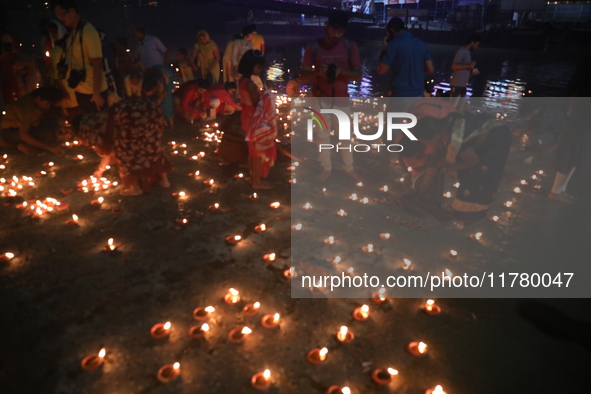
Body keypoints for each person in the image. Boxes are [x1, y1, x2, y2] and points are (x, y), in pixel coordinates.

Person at [412, 112, 512, 228]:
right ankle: (473, 214)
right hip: (492, 132)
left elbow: (472, 161)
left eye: (424, 141)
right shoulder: (444, 124)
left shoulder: (456, 138)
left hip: (497, 140)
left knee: (476, 174)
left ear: (434, 136)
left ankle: (459, 220)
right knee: (470, 172)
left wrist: (448, 168)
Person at [298, 10, 362, 182]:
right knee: (322, 135)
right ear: (326, 26)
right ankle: (326, 168)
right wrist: (317, 73)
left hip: (342, 98)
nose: (336, 35)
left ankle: (348, 168)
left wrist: (342, 71)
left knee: (345, 136)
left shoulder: (350, 46)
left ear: (345, 30)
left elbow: (357, 75)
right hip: (319, 99)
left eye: (340, 31)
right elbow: (302, 77)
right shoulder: (314, 47)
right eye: (333, 30)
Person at [72, 97, 172, 196]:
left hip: (132, 116)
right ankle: (165, 181)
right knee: (152, 146)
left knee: (125, 155)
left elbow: (106, 150)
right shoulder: (98, 117)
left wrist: (100, 170)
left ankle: (135, 188)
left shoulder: (87, 129)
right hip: (152, 109)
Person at [51, 0, 108, 113]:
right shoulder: (75, 31)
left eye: (62, 14)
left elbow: (97, 64)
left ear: (72, 11)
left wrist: (96, 94)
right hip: (81, 89)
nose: (61, 19)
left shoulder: (88, 32)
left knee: (99, 126)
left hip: (92, 93)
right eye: (58, 16)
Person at [238, 49, 277, 189]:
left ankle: (253, 177)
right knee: (256, 152)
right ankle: (256, 182)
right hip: (253, 121)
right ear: (250, 66)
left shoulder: (242, 81)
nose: (260, 69)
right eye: (258, 67)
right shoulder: (249, 84)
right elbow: (257, 104)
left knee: (252, 150)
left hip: (247, 118)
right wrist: (267, 90)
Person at [378, 17, 434, 97]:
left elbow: (381, 71)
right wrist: (415, 69)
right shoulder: (421, 44)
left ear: (392, 30)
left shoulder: (393, 45)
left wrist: (383, 50)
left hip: (400, 94)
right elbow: (430, 69)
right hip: (418, 95)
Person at [0, 87, 64, 155]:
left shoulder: (34, 99)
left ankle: (34, 143)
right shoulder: (22, 107)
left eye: (49, 104)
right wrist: (48, 147)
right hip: (11, 131)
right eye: (46, 103)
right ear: (38, 98)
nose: (47, 107)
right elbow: (24, 135)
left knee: (54, 123)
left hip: (31, 125)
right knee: (45, 135)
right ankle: (20, 146)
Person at [49, 35, 79, 119]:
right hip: (64, 87)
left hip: (70, 88)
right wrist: (64, 91)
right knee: (66, 111)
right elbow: (56, 74)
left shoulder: (65, 52)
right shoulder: (56, 52)